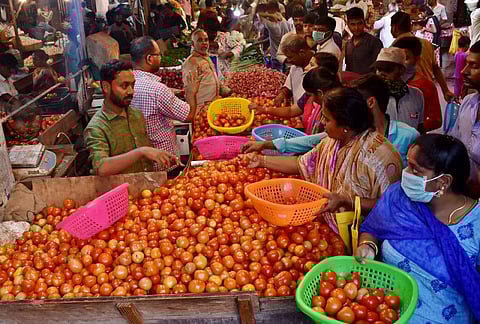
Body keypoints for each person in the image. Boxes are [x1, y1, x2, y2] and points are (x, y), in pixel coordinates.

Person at [356, 134, 480, 324]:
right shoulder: (399, 196)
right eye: (408, 165)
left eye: (415, 170)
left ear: (443, 182)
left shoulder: (475, 224)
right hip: (382, 313)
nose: (406, 173)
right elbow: (372, 228)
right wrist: (368, 245)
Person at [241, 87, 402, 232]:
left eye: (327, 119)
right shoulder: (330, 142)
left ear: (345, 125)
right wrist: (261, 161)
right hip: (324, 225)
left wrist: (347, 201)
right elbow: (302, 164)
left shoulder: (380, 158)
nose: (322, 123)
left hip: (361, 237)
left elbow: (390, 206)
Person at [243, 74, 419, 165]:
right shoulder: (348, 131)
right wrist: (265, 146)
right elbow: (309, 142)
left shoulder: (408, 136)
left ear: (370, 102)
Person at [84, 60, 176, 176]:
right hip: (122, 191)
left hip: (147, 186)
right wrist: (141, 152)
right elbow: (101, 167)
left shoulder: (136, 114)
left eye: (132, 85)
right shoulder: (97, 128)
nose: (131, 91)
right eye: (124, 86)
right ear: (106, 87)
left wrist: (159, 155)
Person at [130, 37, 195, 172]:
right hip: (164, 163)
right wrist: (191, 92)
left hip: (141, 164)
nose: (160, 58)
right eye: (158, 55)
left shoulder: (127, 84)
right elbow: (189, 115)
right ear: (149, 59)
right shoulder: (156, 89)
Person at [391, 11, 454, 102]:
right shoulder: (427, 44)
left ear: (394, 28)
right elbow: (436, 69)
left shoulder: (394, 49)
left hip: (407, 97)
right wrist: (445, 91)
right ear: (410, 26)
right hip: (428, 92)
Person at [447, 40, 480, 198]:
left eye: (474, 66)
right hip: (463, 194)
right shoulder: (468, 102)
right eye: (466, 64)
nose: (463, 71)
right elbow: (455, 143)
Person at [394, 37, 442, 132]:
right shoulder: (386, 81)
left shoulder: (426, 86)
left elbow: (436, 120)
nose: (401, 63)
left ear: (417, 59)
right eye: (398, 58)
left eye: (406, 58)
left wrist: (412, 130)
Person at [375, 47, 425, 133]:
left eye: (387, 69)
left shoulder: (417, 95)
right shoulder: (372, 96)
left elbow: (420, 127)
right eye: (379, 69)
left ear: (401, 70)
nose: (381, 74)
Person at [182, 29, 230, 108]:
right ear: (193, 44)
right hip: (201, 109)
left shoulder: (206, 57)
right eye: (200, 40)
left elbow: (212, 80)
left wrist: (227, 91)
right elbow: (189, 91)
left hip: (212, 105)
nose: (204, 43)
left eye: (206, 40)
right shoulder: (191, 63)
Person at [273, 34, 314, 110]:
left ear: (301, 53)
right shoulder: (294, 67)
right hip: (295, 114)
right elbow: (288, 87)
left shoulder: (316, 69)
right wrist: (282, 94)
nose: (288, 61)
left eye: (290, 57)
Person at [344, 7, 383, 75]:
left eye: (359, 23)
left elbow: (378, 68)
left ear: (364, 23)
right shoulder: (348, 44)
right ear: (348, 25)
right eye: (353, 24)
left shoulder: (374, 42)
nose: (356, 28)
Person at [257, 3, 292, 71]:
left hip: (276, 57)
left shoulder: (271, 26)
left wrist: (270, 15)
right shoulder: (285, 22)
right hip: (286, 56)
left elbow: (258, 15)